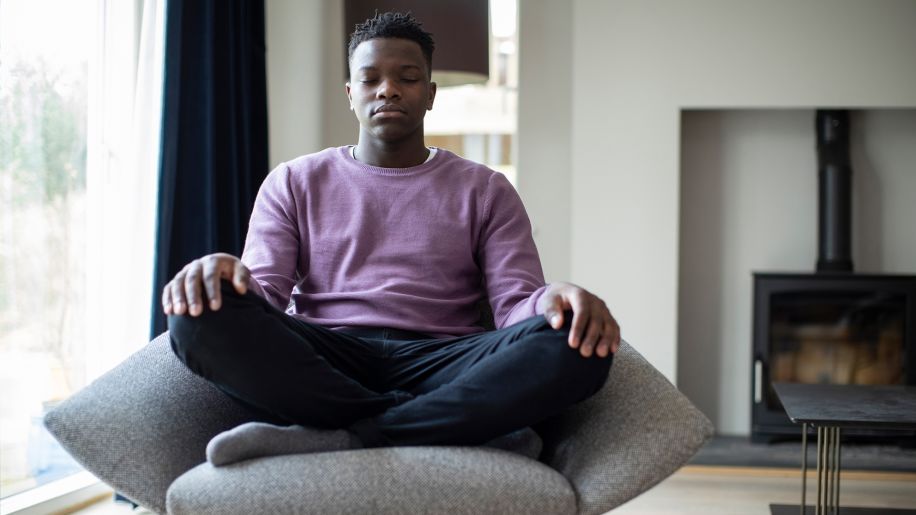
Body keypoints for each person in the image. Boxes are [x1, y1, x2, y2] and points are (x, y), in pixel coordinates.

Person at [163, 11, 620, 466]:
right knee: (199, 317)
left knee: (573, 346)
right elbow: (264, 294)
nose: (387, 89)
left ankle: (340, 435)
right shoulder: (294, 181)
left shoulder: (487, 189)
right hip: (327, 357)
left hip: (441, 360)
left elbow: (514, 308)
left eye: (407, 77)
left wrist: (551, 300)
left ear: (431, 94)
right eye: (369, 79)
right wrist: (226, 273)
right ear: (350, 94)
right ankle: (450, 427)